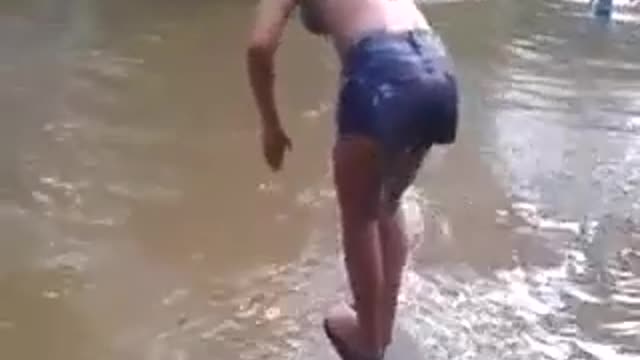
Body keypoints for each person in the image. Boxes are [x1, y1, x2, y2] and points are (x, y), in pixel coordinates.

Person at [246, 0, 458, 359]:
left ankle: (369, 345)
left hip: (382, 70)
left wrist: (270, 126)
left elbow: (259, 46)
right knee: (386, 206)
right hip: (437, 68)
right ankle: (378, 335)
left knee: (359, 220)